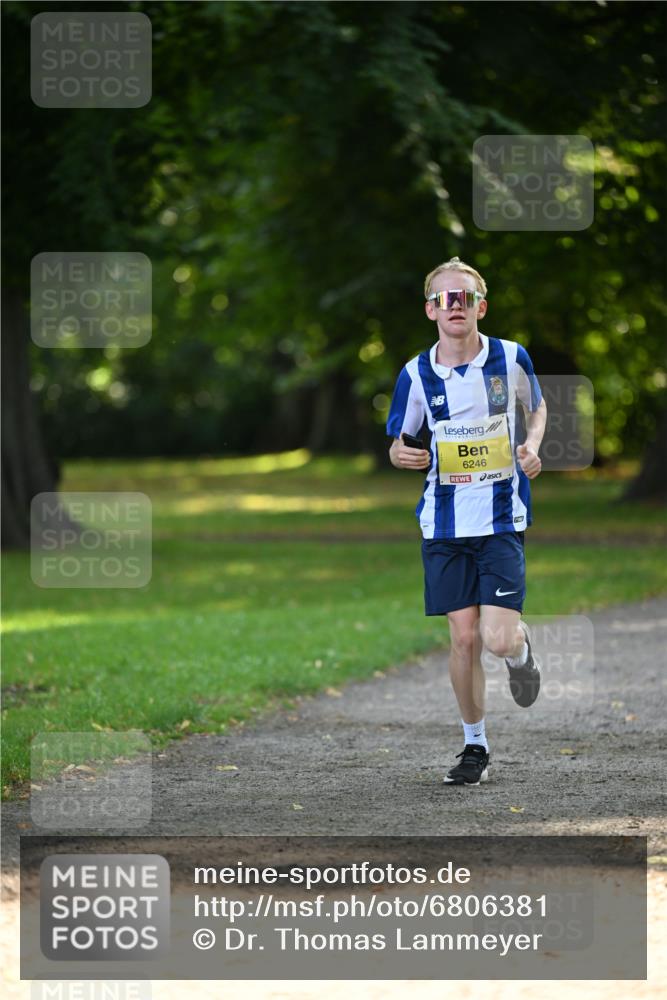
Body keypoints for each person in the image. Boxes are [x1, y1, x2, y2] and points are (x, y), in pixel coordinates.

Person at [387, 257, 547, 786]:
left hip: (501, 515)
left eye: (466, 297)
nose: (456, 306)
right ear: (431, 309)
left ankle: (521, 656)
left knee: (498, 640)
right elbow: (400, 440)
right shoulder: (416, 373)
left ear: (481, 306)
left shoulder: (510, 357)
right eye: (445, 298)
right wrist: (400, 454)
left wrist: (530, 445)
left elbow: (537, 408)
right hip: (445, 523)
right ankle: (474, 746)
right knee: (463, 639)